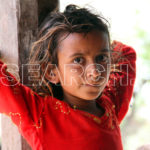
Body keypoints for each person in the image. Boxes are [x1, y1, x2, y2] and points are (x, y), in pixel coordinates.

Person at [0, 4, 136, 150]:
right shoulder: (40, 116)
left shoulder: (111, 106)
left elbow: (126, 55)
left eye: (101, 57)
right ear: (52, 72)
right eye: (78, 60)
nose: (95, 72)